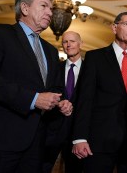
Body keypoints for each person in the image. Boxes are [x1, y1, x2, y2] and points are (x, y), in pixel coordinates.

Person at [0, 0, 73, 173]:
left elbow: (56, 87)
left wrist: (62, 102)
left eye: (51, 8)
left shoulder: (51, 50)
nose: (50, 12)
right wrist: (33, 99)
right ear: (25, 9)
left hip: (38, 143)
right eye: (44, 6)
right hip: (2, 140)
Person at [72, 11, 127, 173]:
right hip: (98, 141)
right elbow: (85, 99)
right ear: (114, 27)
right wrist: (79, 138)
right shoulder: (95, 57)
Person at [43, 31, 83, 173]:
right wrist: (58, 103)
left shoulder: (90, 70)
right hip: (53, 128)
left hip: (77, 131)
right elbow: (48, 91)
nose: (68, 44)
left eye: (72, 41)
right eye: (65, 42)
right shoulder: (54, 69)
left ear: (80, 44)